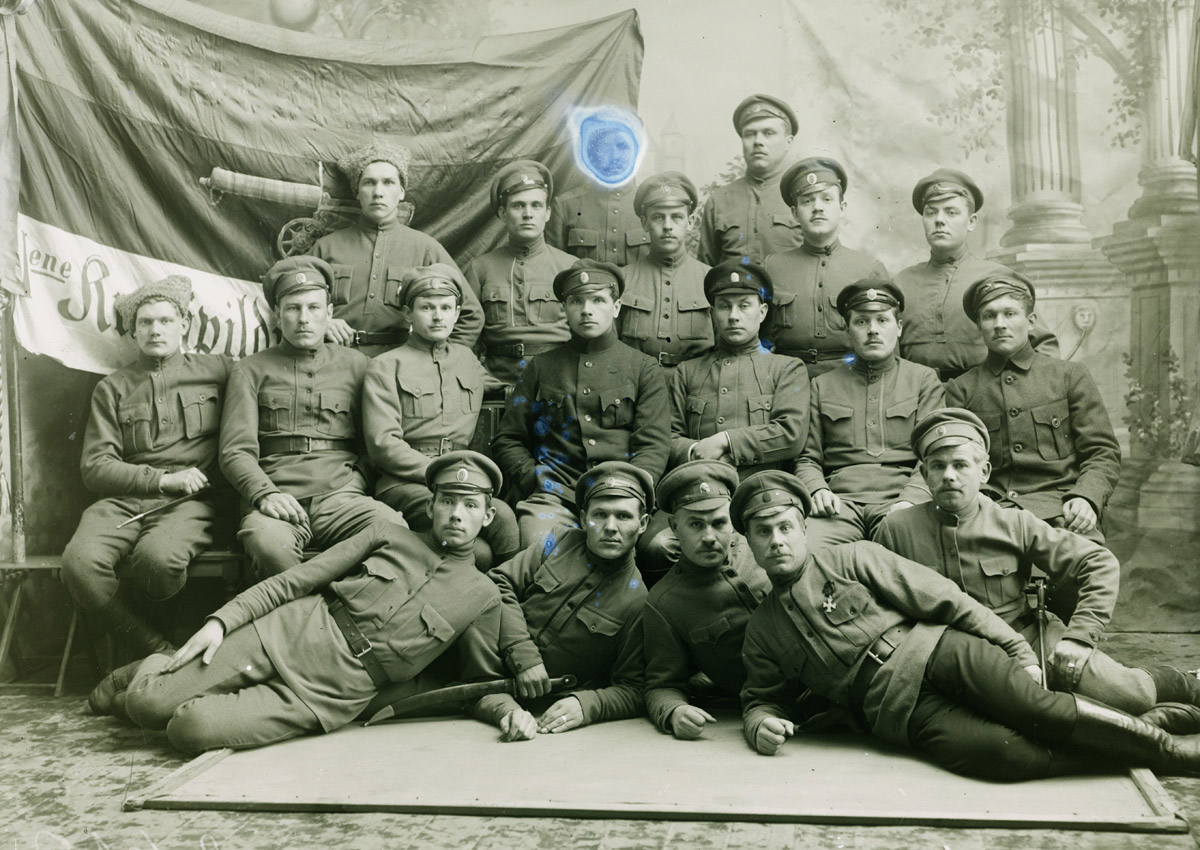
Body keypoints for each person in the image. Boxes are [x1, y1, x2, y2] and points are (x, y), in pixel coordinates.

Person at [734, 470, 1200, 780]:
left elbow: (947, 600)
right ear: (749, 542)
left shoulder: (852, 558)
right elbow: (760, 697)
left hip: (942, 653)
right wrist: (760, 724)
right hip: (897, 711)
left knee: (1038, 710)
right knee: (1002, 755)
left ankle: (1167, 752)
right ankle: (1142, 731)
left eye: (785, 527)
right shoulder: (763, 630)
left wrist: (1015, 649)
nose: (777, 541)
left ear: (804, 528)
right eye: (763, 532)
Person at [114, 452, 508, 754]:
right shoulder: (386, 533)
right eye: (447, 501)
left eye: (470, 505)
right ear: (431, 506)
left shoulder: (483, 597)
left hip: (325, 694)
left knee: (189, 729)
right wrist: (221, 623)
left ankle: (169, 680)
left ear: (488, 516)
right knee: (148, 704)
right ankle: (148, 672)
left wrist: (508, 711)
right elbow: (294, 581)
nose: (456, 515)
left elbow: (479, 680)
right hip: (285, 632)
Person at [874, 407, 1200, 727]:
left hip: (1026, 638)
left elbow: (1098, 562)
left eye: (960, 465)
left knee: (1128, 696)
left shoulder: (1012, 522)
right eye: (938, 466)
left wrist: (1079, 638)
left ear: (984, 472)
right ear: (925, 474)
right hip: (943, 650)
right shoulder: (896, 529)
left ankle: (1182, 684)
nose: (949, 475)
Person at [63, 275, 229, 697]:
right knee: (80, 564)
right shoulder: (112, 388)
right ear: (133, 332)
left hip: (189, 503)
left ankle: (154, 658)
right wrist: (161, 479)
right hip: (122, 501)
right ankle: (157, 651)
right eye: (146, 322)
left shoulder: (219, 372)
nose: (156, 330)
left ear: (184, 325)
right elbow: (95, 467)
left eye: (166, 321)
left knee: (157, 561)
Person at [219, 255, 400, 578]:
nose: (304, 319)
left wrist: (357, 481)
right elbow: (235, 451)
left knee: (395, 532)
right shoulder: (249, 370)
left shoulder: (357, 365)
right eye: (293, 308)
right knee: (270, 546)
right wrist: (265, 494)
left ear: (329, 313)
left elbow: (373, 443)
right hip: (277, 497)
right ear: (277, 316)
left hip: (343, 497)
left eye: (314, 308)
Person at [643, 260, 807, 579]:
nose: (733, 315)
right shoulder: (687, 372)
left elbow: (790, 434)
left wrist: (725, 442)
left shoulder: (786, 369)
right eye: (724, 306)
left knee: (751, 556)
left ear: (762, 312)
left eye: (744, 305)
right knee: (656, 546)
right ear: (712, 313)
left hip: (759, 496)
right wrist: (695, 452)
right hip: (695, 494)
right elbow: (665, 437)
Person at [491, 260, 670, 550]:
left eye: (598, 300)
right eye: (576, 301)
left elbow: (653, 446)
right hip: (555, 496)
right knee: (540, 547)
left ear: (616, 307)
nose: (587, 310)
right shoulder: (541, 367)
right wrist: (534, 477)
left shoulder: (642, 368)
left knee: (648, 550)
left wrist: (631, 492)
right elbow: (508, 438)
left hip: (621, 495)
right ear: (564, 308)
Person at [472, 461, 652, 741]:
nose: (610, 527)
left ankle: (506, 711)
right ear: (583, 518)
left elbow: (634, 688)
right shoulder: (558, 541)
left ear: (642, 524)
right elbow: (498, 582)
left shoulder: (638, 600)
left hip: (529, 704)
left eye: (623, 516)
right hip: (481, 658)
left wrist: (586, 705)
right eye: (600, 515)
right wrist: (523, 655)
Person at [362, 263, 520, 568]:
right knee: (483, 547)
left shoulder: (466, 359)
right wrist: (438, 472)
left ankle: (508, 591)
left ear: (457, 313)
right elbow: (383, 445)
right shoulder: (385, 366)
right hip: (406, 483)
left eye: (446, 308)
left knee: (502, 521)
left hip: (463, 479)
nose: (438, 316)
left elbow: (502, 388)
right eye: (427, 307)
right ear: (408, 313)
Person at [946, 272, 1120, 541]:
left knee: (1088, 562)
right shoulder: (963, 389)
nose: (999, 324)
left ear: (1030, 322)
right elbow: (955, 461)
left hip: (1062, 510)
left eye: (1010, 314)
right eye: (989, 316)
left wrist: (1086, 497)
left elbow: (1102, 452)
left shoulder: (1069, 376)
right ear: (979, 325)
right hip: (991, 513)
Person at [794, 281, 944, 551]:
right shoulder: (822, 385)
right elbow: (807, 458)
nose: (873, 330)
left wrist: (911, 499)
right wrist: (817, 489)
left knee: (914, 553)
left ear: (899, 327)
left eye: (882, 320)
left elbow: (935, 453)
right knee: (805, 550)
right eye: (861, 321)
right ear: (848, 330)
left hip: (901, 499)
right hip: (839, 504)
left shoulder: (923, 380)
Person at [312, 141, 483, 357]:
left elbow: (471, 315)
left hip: (400, 366)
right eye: (369, 183)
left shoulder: (425, 248)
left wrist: (439, 362)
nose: (378, 192)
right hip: (336, 359)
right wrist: (322, 323)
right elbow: (290, 304)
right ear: (357, 192)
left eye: (388, 182)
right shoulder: (326, 247)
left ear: (401, 192)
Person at [642, 460, 771, 738]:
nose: (709, 537)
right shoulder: (664, 603)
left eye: (719, 523)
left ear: (733, 520)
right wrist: (674, 711)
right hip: (767, 708)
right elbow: (662, 684)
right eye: (696, 525)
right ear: (675, 527)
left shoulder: (765, 549)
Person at [892, 168, 1058, 382]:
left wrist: (1017, 394)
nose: (939, 220)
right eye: (931, 213)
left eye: (951, 212)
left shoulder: (998, 277)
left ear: (971, 222)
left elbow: (1044, 348)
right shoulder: (901, 283)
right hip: (917, 395)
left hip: (985, 395)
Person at [763, 157, 890, 376]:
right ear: (795, 213)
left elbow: (887, 346)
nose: (817, 208)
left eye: (827, 199)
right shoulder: (772, 268)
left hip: (851, 378)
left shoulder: (869, 269)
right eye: (807, 201)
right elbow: (758, 342)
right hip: (786, 379)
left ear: (842, 208)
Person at [464, 160, 578, 389]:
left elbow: (587, 337)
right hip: (497, 385)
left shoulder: (570, 267)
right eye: (518, 206)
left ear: (547, 213)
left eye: (536, 205)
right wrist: (481, 380)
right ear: (503, 213)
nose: (528, 214)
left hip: (559, 385)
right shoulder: (480, 268)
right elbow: (465, 340)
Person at [616, 172, 713, 370]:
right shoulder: (623, 279)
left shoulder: (710, 279)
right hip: (636, 380)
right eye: (658, 217)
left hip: (694, 382)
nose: (668, 226)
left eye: (676, 217)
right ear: (644, 223)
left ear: (690, 222)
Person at [698, 95, 803, 267]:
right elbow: (704, 270)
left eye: (768, 133)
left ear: (788, 142)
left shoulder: (804, 197)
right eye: (749, 134)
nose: (758, 141)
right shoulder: (719, 201)